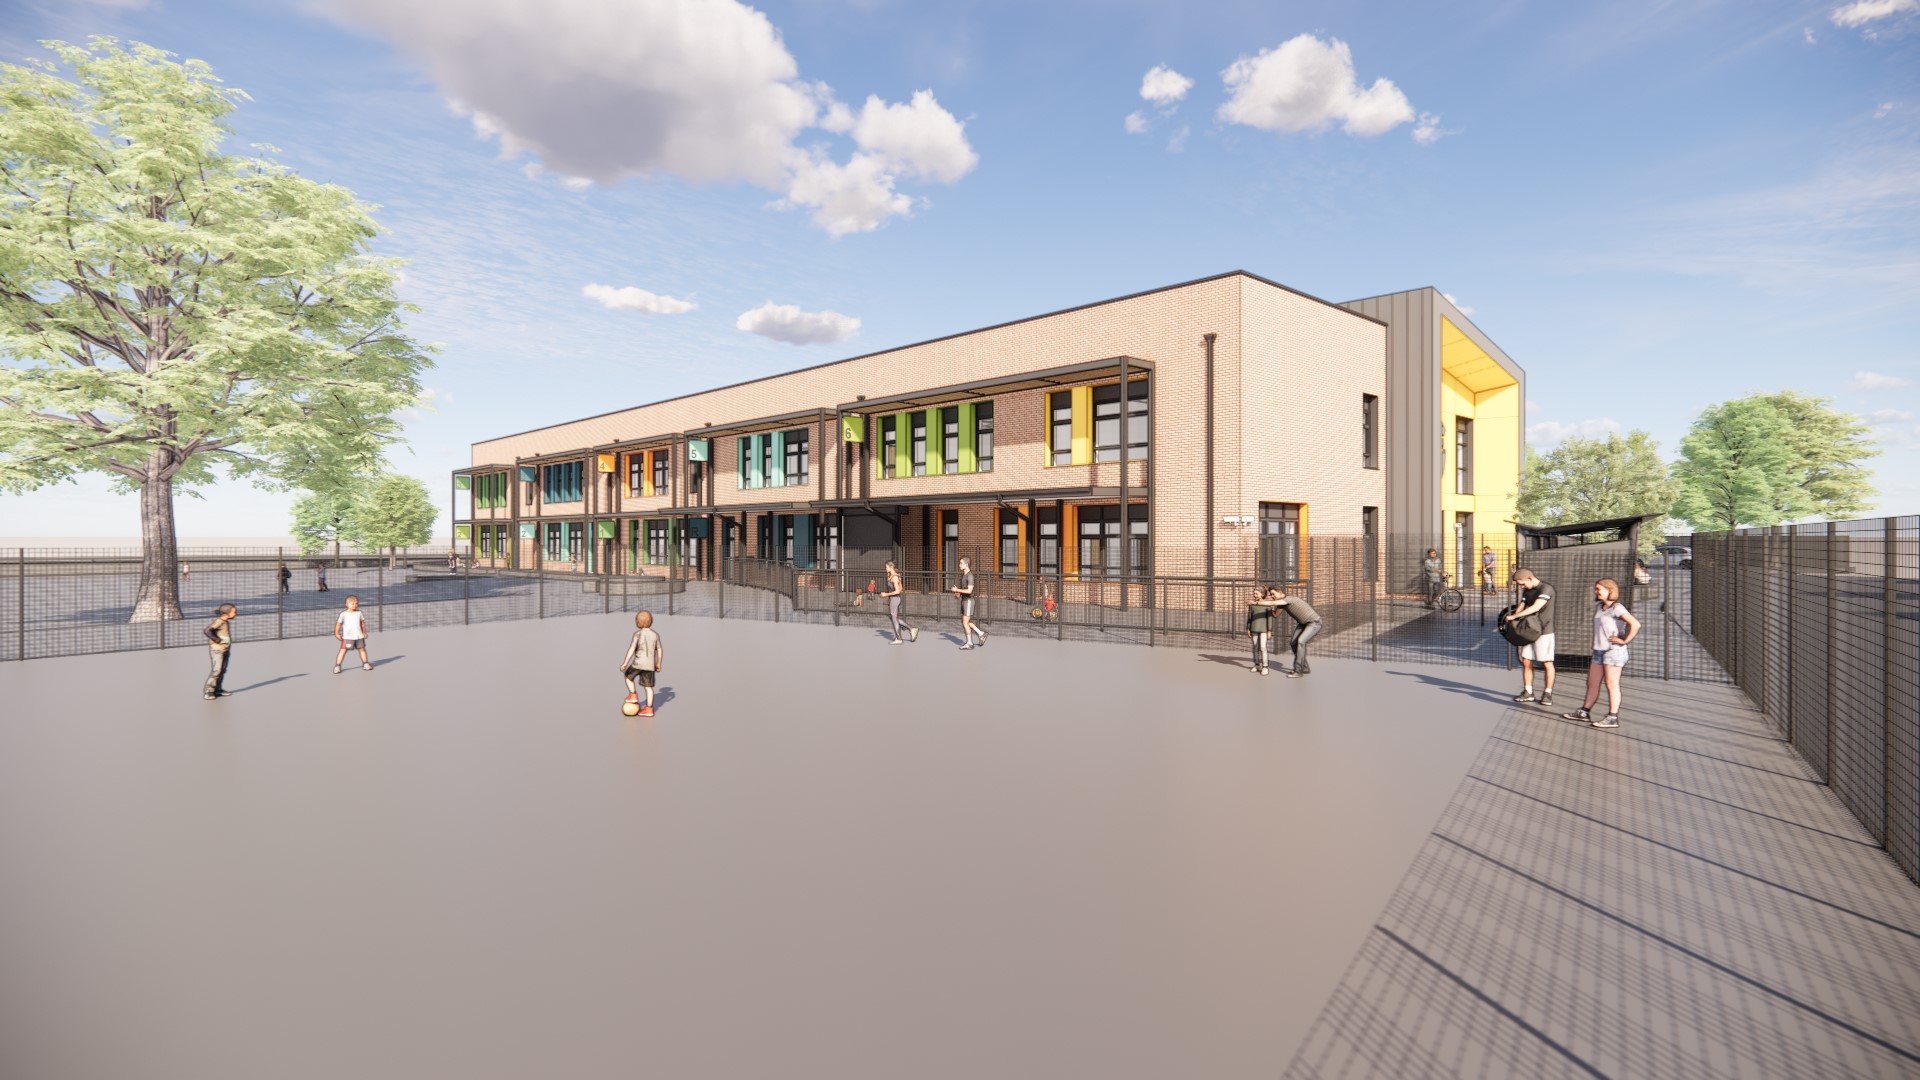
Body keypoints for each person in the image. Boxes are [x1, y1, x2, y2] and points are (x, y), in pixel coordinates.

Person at [1562, 579, 1640, 729]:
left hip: (1613, 652)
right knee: (1592, 683)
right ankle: (1584, 712)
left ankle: (1612, 717)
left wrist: (1624, 641)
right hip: (1598, 651)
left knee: (1612, 685)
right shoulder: (1600, 607)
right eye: (1596, 589)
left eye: (1599, 589)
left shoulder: (1617, 608)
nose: (1596, 592)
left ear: (1609, 590)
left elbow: (1635, 624)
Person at [1502, 568, 1556, 706]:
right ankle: (1528, 692)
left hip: (1544, 632)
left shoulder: (1546, 589)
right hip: (1528, 630)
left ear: (1530, 578)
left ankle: (1548, 693)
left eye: (1522, 584)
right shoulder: (1527, 591)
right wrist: (1514, 621)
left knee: (1547, 663)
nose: (1521, 587)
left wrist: (1514, 616)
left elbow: (1536, 607)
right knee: (1526, 661)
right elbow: (1522, 605)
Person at [619, 610, 665, 716]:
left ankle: (633, 694)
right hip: (650, 665)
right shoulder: (655, 635)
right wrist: (658, 663)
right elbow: (660, 650)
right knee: (648, 688)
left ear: (637, 622)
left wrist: (625, 662)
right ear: (651, 621)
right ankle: (649, 709)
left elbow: (632, 648)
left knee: (627, 676)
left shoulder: (637, 634)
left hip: (638, 663)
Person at [1270, 587, 1323, 678]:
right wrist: (1269, 609)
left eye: (1273, 594)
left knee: (1301, 641)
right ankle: (1305, 667)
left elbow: (1274, 602)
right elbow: (1275, 615)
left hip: (1314, 623)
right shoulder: (1281, 603)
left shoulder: (1289, 598)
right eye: (1270, 595)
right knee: (1293, 643)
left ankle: (1298, 671)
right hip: (1303, 624)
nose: (1272, 596)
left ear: (1280, 592)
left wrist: (1257, 602)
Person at [952, 556, 987, 650]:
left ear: (966, 564)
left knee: (965, 622)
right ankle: (981, 634)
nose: (959, 565)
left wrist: (957, 589)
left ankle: (970, 643)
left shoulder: (970, 576)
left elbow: (969, 591)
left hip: (969, 601)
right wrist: (958, 593)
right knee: (965, 622)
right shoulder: (963, 575)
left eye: (961, 563)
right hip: (964, 601)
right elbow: (964, 590)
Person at [203, 603, 237, 700]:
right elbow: (207, 631)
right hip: (218, 651)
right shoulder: (219, 621)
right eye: (234, 612)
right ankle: (209, 691)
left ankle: (217, 690)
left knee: (222, 670)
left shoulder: (225, 621)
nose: (235, 614)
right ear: (227, 613)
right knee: (216, 671)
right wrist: (216, 639)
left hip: (225, 649)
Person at [881, 560, 918, 645]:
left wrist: (886, 594)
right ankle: (909, 631)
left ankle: (901, 637)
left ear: (891, 567)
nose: (885, 569)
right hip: (893, 599)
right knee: (894, 618)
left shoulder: (894, 577)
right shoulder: (891, 575)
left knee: (894, 619)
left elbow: (898, 591)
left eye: (886, 567)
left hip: (895, 599)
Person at [333, 595, 371, 674]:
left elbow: (362, 623)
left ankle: (365, 664)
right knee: (342, 651)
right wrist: (337, 633)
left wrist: (364, 632)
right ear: (347, 604)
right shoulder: (343, 614)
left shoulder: (359, 613)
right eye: (352, 603)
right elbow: (338, 624)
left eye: (356, 603)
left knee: (362, 650)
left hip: (359, 636)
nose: (355, 605)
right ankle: (337, 666)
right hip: (347, 637)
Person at [1246, 588, 1277, 675]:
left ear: (1262, 595)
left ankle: (1265, 666)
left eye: (1256, 593)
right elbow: (1249, 617)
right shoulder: (1252, 605)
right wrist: (1248, 628)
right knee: (1255, 647)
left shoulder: (1267, 606)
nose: (1254, 595)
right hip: (1254, 629)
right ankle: (1256, 665)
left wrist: (1269, 631)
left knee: (1263, 647)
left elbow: (1269, 619)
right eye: (1254, 593)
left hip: (1264, 630)